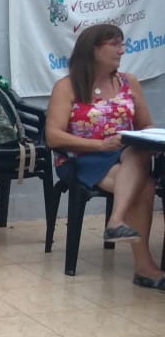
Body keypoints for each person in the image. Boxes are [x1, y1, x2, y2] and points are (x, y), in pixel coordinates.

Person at [45, 23, 164, 291]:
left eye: (122, 44)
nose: (122, 50)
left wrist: (152, 139)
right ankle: (144, 268)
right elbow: (53, 137)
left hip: (125, 156)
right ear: (93, 49)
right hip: (81, 158)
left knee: (137, 151)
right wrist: (100, 145)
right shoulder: (67, 86)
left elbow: (145, 125)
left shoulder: (128, 82)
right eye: (115, 44)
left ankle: (116, 221)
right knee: (144, 186)